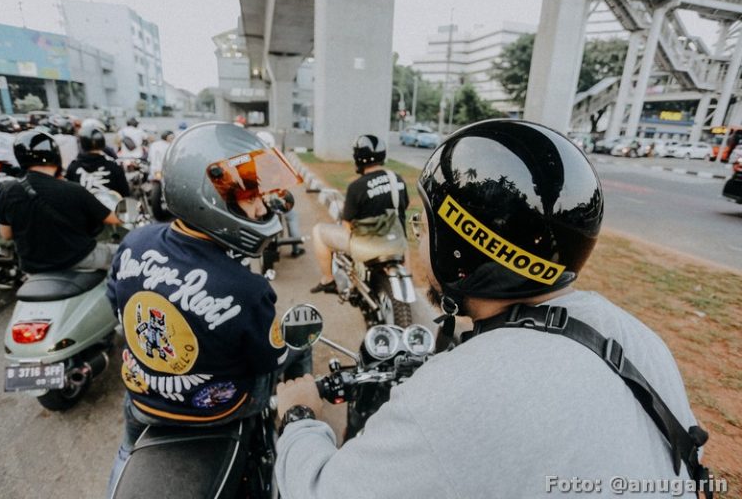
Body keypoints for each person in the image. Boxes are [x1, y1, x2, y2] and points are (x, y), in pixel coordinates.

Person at [274, 120, 709, 498]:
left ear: (458, 249)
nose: (419, 239)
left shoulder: (449, 400)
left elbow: (317, 491)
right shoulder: (641, 340)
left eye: (425, 226)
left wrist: (299, 415)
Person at [105, 121, 308, 495]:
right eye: (249, 196)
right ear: (209, 199)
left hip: (143, 400)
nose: (262, 206)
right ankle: (287, 447)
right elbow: (267, 359)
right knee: (296, 348)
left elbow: (115, 302)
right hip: (216, 412)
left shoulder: (135, 242)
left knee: (126, 447)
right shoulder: (246, 288)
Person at [0, 130, 120, 273]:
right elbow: (113, 218)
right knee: (127, 253)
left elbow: (6, 234)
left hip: (32, 267)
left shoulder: (6, 190)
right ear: (55, 154)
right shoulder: (74, 190)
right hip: (80, 258)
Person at [310, 134, 408, 293]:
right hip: (396, 242)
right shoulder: (397, 179)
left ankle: (328, 279)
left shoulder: (357, 187)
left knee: (318, 231)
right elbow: (402, 209)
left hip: (367, 247)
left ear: (358, 158)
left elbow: (346, 224)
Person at [256, 130, 305, 257]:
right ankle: (296, 248)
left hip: (258, 201)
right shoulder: (276, 160)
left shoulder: (250, 161)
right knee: (292, 216)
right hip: (273, 199)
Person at [66, 125, 130, 198]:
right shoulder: (113, 166)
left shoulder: (73, 167)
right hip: (109, 205)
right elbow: (124, 193)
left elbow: (69, 194)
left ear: (82, 144)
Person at [146, 130, 175, 221]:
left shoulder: (154, 145)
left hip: (154, 171)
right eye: (171, 137)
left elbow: (149, 158)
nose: (173, 139)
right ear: (166, 137)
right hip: (165, 171)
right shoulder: (170, 146)